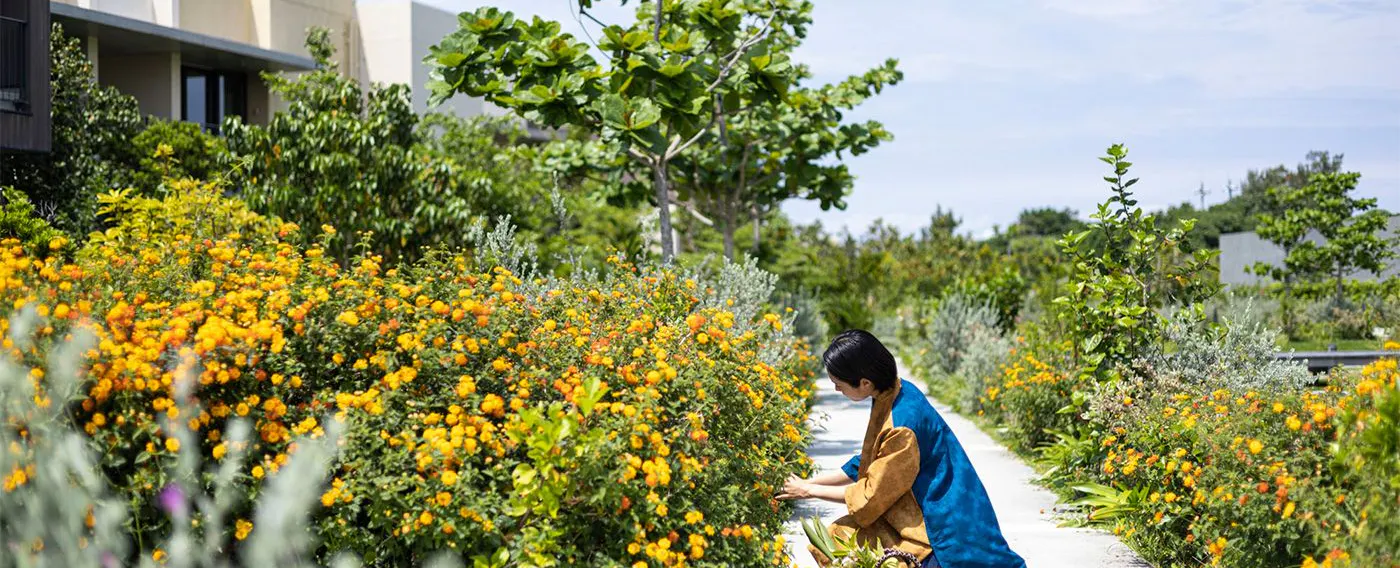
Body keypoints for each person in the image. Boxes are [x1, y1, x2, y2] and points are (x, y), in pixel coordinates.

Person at [777, 330, 1026, 568]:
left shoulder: (902, 427)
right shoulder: (896, 390)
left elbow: (870, 497)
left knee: (843, 544)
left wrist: (809, 491)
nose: (836, 389)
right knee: (840, 538)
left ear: (864, 382)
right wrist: (810, 482)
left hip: (939, 527)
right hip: (941, 506)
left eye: (839, 383)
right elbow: (871, 459)